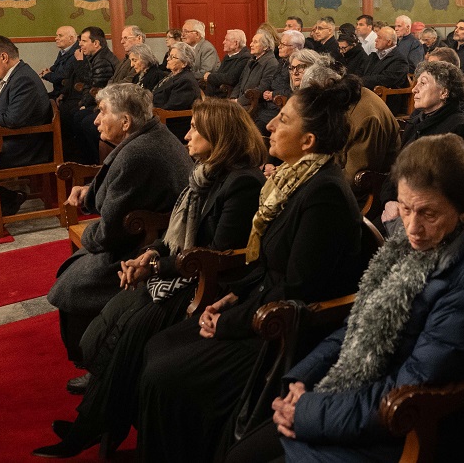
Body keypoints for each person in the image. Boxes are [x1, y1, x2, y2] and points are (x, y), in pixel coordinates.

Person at [227, 135, 464, 463]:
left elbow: (411, 387)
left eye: (429, 214)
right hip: (361, 398)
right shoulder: (410, 247)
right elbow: (359, 325)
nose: (412, 227)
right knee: (240, 453)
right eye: (405, 208)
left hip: (405, 426)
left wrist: (308, 411)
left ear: (463, 210)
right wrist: (303, 379)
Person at [139, 76, 368, 463]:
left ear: (308, 141)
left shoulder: (324, 193)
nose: (269, 125)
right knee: (157, 346)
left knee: (165, 374)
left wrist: (228, 321)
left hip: (288, 329)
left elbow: (298, 288)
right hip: (262, 305)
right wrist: (230, 296)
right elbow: (264, 267)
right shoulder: (294, 181)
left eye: (282, 119)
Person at [33, 99, 266, 458]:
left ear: (218, 136)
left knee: (130, 332)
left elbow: (215, 253)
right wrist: (150, 253)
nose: (186, 135)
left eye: (194, 128)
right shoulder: (207, 173)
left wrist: (155, 268)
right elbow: (174, 232)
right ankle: (97, 421)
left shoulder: (241, 183)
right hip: (178, 270)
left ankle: (95, 424)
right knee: (112, 320)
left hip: (204, 285)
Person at [48, 84, 193, 368]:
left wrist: (88, 233)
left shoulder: (138, 154)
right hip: (140, 236)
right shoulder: (148, 136)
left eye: (102, 112)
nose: (96, 120)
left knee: (71, 287)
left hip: (144, 248)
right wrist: (88, 192)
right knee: (71, 276)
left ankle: (96, 364)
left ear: (125, 122)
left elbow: (108, 233)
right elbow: (117, 188)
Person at [0, 36, 51, 234]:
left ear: (3, 56)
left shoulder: (23, 78)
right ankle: (3, 201)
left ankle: (6, 201)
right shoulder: (12, 75)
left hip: (21, 146)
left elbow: (13, 120)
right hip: (6, 140)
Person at [301, 61, 400, 185]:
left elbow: (354, 178)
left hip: (362, 193)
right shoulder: (348, 97)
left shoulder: (366, 118)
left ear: (329, 88)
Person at [61, 26, 119, 164]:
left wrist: (85, 104)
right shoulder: (95, 57)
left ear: (96, 43)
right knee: (72, 114)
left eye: (84, 41)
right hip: (97, 102)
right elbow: (88, 82)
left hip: (105, 103)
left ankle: (92, 161)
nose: (80, 44)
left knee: (83, 120)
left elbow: (96, 88)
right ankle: (83, 157)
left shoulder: (102, 60)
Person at [232, 31, 280, 134]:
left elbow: (262, 88)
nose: (251, 44)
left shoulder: (271, 63)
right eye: (252, 41)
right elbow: (240, 82)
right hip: (241, 102)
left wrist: (238, 101)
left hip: (254, 105)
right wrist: (233, 98)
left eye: (255, 42)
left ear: (266, 46)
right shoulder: (252, 60)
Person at [153, 42, 200, 138]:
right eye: (169, 56)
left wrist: (151, 113)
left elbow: (171, 108)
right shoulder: (172, 75)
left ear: (184, 63)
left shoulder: (186, 81)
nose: (167, 59)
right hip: (158, 117)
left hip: (173, 125)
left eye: (172, 57)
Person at [204, 29, 251, 97]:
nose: (223, 42)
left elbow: (231, 79)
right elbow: (219, 73)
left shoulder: (245, 57)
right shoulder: (227, 56)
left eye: (227, 40)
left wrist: (210, 76)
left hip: (229, 95)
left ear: (236, 43)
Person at [361, 26, 408, 92]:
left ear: (389, 42)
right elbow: (362, 71)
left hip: (386, 97)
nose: (375, 40)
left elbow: (384, 80)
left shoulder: (399, 60)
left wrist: (360, 81)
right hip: (369, 92)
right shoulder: (374, 55)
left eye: (379, 37)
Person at [40, 26, 79, 98]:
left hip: (68, 94)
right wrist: (49, 70)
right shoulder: (63, 51)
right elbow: (56, 66)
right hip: (59, 91)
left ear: (71, 38)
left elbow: (64, 75)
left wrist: (47, 75)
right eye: (56, 35)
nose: (56, 38)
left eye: (60, 36)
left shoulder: (77, 53)